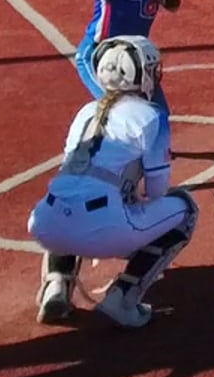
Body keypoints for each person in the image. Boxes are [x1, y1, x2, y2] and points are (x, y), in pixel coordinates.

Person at [28, 35, 198, 329]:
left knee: (71, 196)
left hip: (45, 223)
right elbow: (157, 191)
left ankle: (56, 284)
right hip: (103, 225)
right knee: (185, 209)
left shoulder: (85, 112)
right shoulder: (150, 116)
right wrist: (130, 196)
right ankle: (122, 299)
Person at [74, 0, 181, 133]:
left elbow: (173, 5)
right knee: (117, 110)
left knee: (159, 115)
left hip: (134, 58)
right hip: (100, 56)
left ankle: (157, 149)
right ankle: (103, 147)